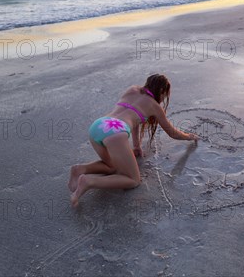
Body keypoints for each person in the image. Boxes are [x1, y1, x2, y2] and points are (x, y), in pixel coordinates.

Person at [68, 74, 199, 207]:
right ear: (161, 91)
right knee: (133, 180)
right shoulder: (154, 106)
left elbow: (136, 118)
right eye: (165, 95)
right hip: (115, 133)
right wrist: (189, 136)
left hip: (99, 125)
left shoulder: (132, 89)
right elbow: (172, 133)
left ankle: (80, 169)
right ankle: (89, 182)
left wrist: (136, 146)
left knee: (112, 166)